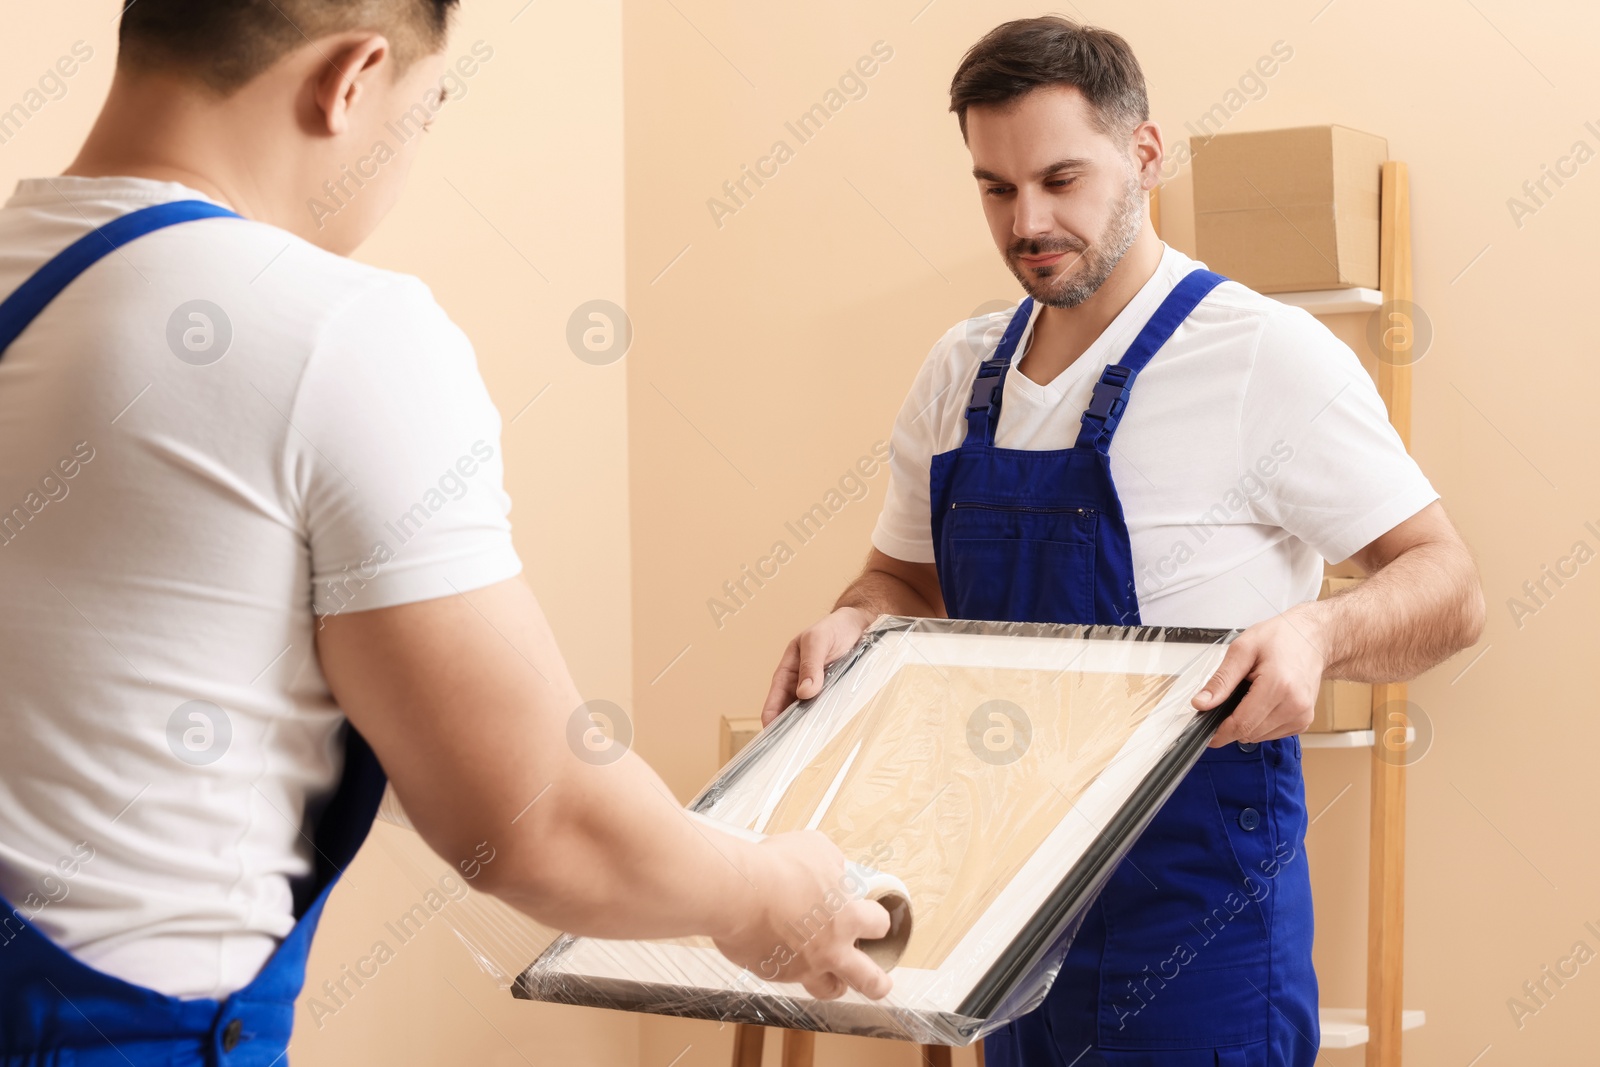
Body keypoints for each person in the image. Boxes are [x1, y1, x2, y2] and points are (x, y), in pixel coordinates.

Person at [0, 2, 890, 1062]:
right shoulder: (329, 329)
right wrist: (770, 892)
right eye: (429, 111)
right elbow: (535, 819)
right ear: (353, 79)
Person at [761, 17, 1484, 1067]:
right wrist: (853, 621)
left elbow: (1447, 584)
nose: (1029, 219)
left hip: (1197, 918)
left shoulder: (1262, 356)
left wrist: (1319, 633)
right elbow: (899, 578)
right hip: (1002, 902)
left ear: (1144, 154)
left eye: (1060, 177)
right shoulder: (958, 373)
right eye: (995, 188)